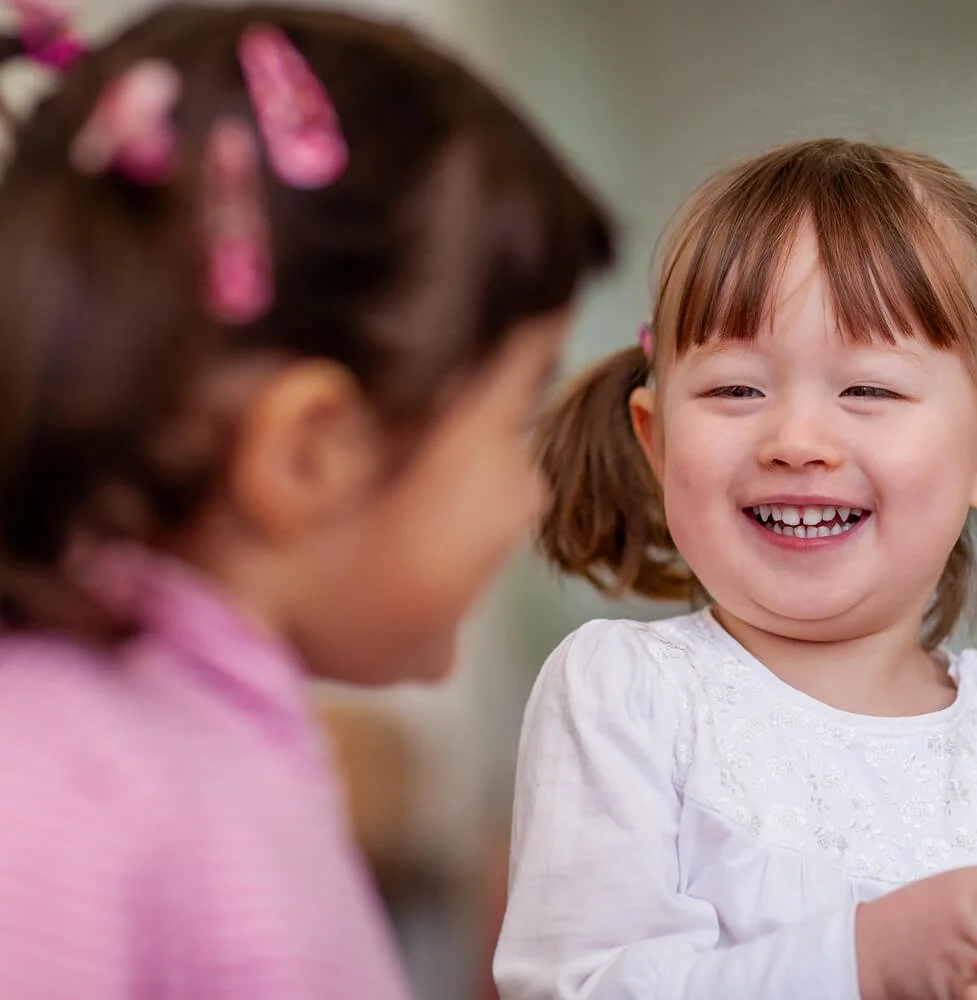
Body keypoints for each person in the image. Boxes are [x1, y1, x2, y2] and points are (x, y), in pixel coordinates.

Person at [0, 3, 613, 997]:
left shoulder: (220, 744)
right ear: (309, 453)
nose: (529, 490)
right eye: (512, 420)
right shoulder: (58, 785)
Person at [495, 138, 977, 1000]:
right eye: (737, 389)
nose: (797, 443)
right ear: (657, 440)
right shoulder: (627, 693)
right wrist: (870, 958)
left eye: (870, 390)